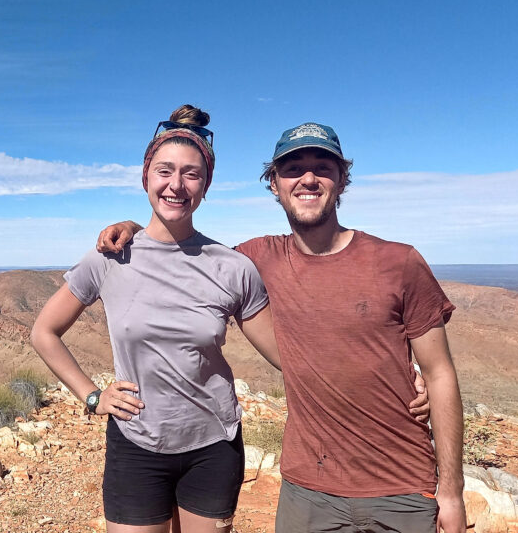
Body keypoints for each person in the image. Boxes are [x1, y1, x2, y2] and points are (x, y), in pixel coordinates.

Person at [97, 122, 465, 533]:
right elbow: (185, 253)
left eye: (322, 167)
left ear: (342, 179)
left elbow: (440, 373)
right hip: (308, 489)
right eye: (293, 169)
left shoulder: (399, 262)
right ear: (274, 184)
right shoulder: (255, 259)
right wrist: (135, 228)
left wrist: (451, 493)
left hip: (402, 488)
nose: (308, 178)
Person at [31, 105, 282, 533]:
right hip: (136, 443)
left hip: (213, 445)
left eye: (191, 174)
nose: (176, 185)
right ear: (146, 177)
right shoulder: (110, 255)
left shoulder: (232, 267)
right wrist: (92, 397)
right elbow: (44, 332)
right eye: (165, 171)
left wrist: (389, 374)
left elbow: (286, 353)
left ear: (205, 185)